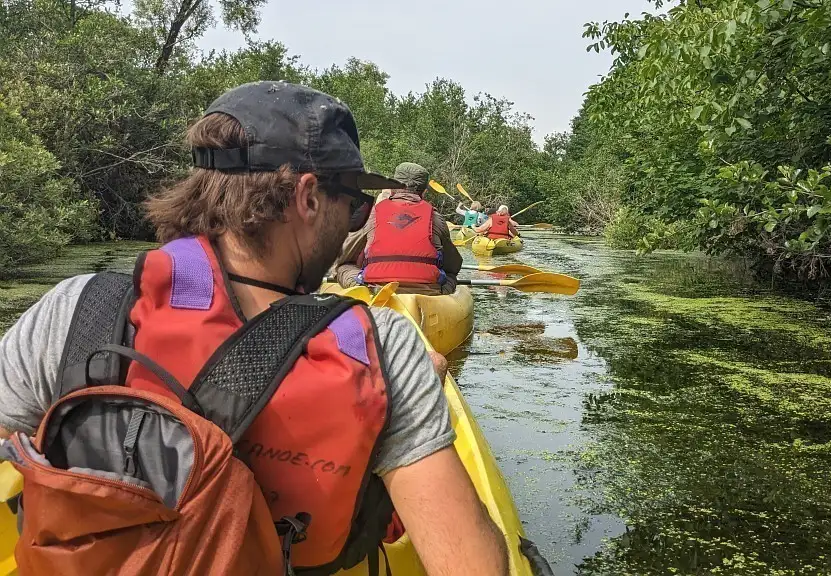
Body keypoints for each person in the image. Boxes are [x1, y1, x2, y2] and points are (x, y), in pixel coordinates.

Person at [0, 82, 507, 575]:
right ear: (308, 197)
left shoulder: (77, 309)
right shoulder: (382, 347)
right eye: (353, 203)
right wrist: (414, 392)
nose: (352, 221)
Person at [331, 163, 462, 295]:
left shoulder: (370, 213)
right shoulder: (436, 218)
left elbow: (343, 255)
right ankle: (440, 296)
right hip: (426, 291)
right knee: (450, 275)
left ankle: (362, 292)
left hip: (377, 289)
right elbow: (453, 264)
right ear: (424, 192)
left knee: (343, 266)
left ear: (392, 188)